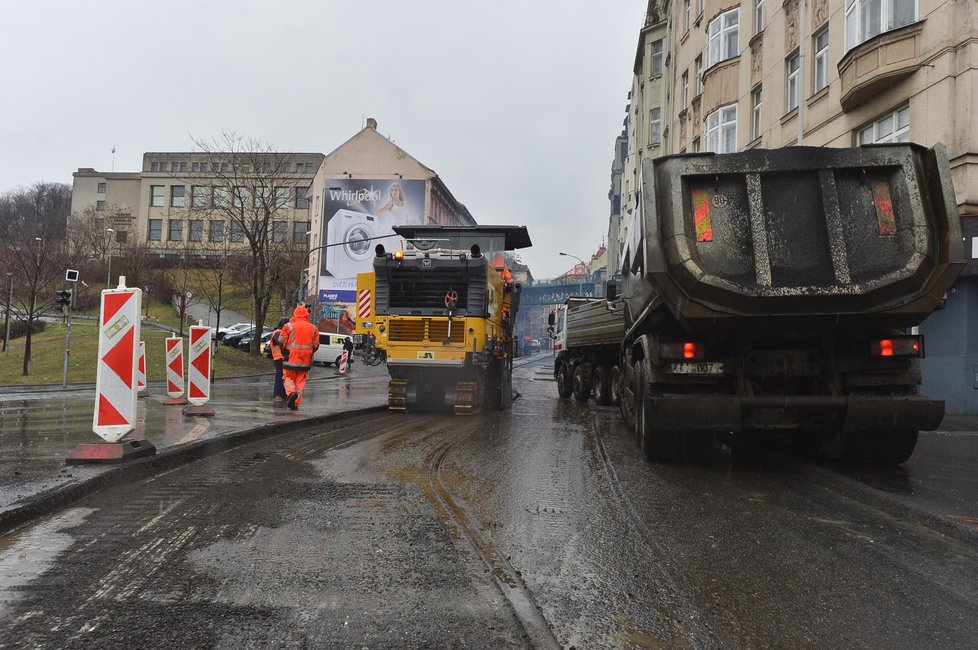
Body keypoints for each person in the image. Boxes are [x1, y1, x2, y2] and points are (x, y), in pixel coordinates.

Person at [280, 304, 320, 411]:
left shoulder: (288, 326)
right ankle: (295, 403)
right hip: (305, 360)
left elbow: (281, 342)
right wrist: (309, 353)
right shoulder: (314, 328)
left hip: (290, 357)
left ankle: (291, 393)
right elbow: (316, 345)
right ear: (307, 315)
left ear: (295, 314)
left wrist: (284, 352)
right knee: (300, 381)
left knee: (288, 377)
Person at [269, 317, 289, 403]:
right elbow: (281, 343)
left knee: (282, 377)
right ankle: (278, 394)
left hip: (280, 358)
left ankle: (282, 394)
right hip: (279, 358)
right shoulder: (278, 333)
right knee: (280, 377)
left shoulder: (278, 332)